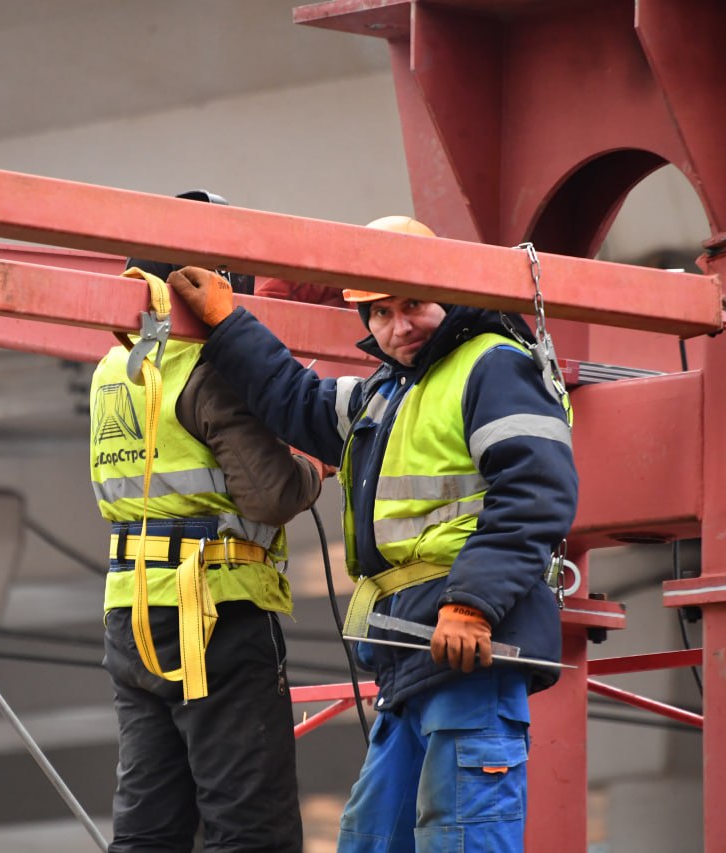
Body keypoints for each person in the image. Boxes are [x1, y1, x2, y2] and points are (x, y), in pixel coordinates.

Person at [166, 215, 578, 852]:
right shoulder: (387, 393)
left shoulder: (493, 365)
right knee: (370, 839)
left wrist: (472, 604)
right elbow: (294, 398)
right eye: (380, 313)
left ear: (450, 293)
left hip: (467, 650)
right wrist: (228, 325)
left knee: (462, 837)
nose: (398, 327)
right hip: (411, 657)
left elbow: (535, 492)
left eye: (413, 305)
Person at [90, 190, 322, 853]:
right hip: (211, 613)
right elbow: (272, 493)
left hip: (133, 613)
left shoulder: (114, 366)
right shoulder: (204, 366)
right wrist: (312, 464)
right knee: (250, 829)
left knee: (149, 828)